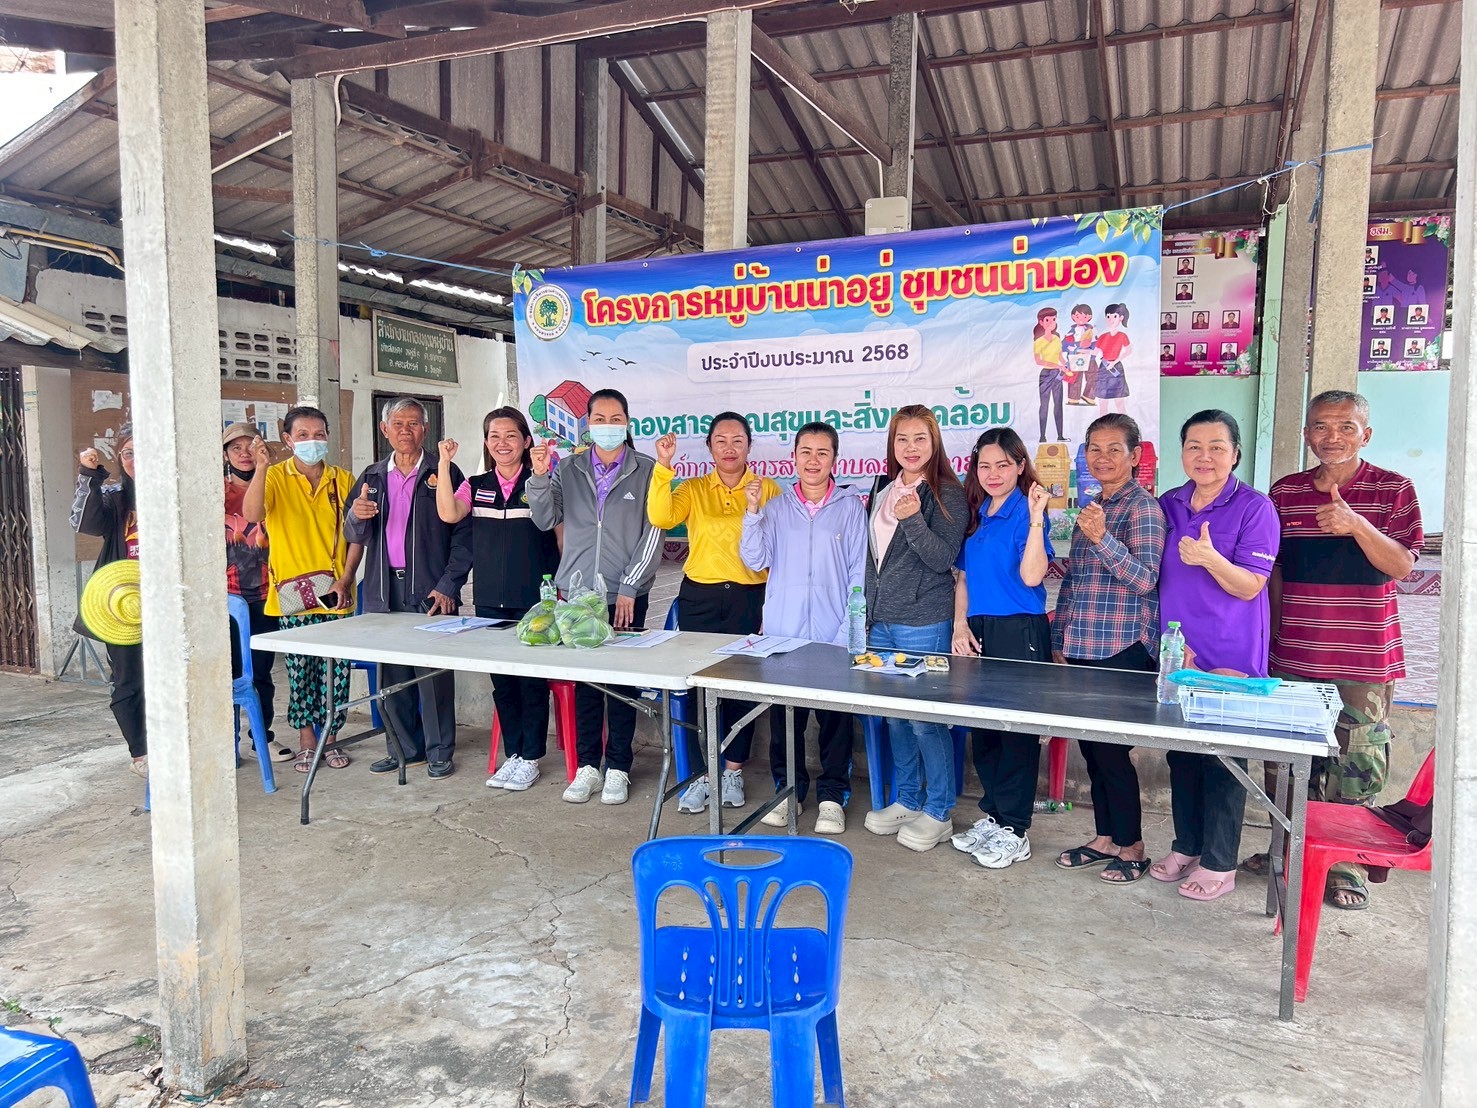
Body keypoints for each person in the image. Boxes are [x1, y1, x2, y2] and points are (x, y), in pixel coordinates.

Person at [1243, 390, 1423, 910]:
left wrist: (1357, 525)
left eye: (1346, 427)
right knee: (1286, 763)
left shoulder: (1393, 489)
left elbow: (1402, 566)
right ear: (1307, 434)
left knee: (1357, 762)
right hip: (1295, 654)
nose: (1333, 437)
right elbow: (1274, 571)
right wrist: (1271, 640)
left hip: (1363, 657)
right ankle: (1286, 852)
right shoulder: (1286, 493)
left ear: (1366, 434)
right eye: (1321, 426)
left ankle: (1344, 864)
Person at [1150, 410, 1280, 902]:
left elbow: (1250, 586)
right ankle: (1187, 846)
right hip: (1179, 650)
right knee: (1181, 754)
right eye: (1194, 446)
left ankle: (1221, 863)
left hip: (1231, 653)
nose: (1204, 457)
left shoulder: (1254, 508)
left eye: (1217, 447)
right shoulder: (1169, 504)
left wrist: (1210, 558)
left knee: (1224, 760)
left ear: (1236, 453)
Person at [527, 388, 664, 805]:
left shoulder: (647, 469)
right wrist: (538, 477)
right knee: (586, 683)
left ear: (627, 423)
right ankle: (588, 766)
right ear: (588, 425)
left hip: (625, 595)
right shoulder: (568, 468)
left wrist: (630, 587)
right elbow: (545, 518)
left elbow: (653, 532)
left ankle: (618, 766)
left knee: (621, 682)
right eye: (599, 419)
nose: (608, 426)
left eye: (615, 418)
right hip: (577, 594)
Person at [1049, 414, 1166, 883]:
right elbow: (1074, 581)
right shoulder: (1092, 506)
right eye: (1094, 449)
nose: (1103, 458)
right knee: (1093, 750)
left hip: (1122, 646)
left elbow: (1146, 580)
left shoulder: (1143, 509)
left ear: (1135, 456)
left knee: (1113, 754)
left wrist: (1102, 539)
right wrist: (1059, 639)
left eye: (1114, 449)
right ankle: (1105, 837)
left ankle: (1132, 846)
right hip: (1083, 643)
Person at [649, 413, 782, 813]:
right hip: (700, 598)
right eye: (721, 440)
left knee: (742, 688)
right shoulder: (693, 488)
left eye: (737, 440)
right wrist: (663, 465)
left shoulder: (767, 488)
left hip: (749, 598)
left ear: (749, 446)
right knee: (698, 687)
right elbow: (660, 517)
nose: (729, 448)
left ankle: (732, 772)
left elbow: (779, 547)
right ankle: (703, 774)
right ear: (709, 446)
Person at [739, 422, 866, 835]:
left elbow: (858, 574)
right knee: (785, 722)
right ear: (793, 457)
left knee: (835, 722)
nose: (813, 460)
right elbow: (755, 560)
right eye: (806, 452)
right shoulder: (776, 507)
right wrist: (752, 513)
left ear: (835, 459)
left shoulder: (850, 508)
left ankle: (832, 797)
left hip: (832, 634)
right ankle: (787, 791)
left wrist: (847, 632)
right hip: (784, 635)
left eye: (822, 452)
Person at [343, 398, 472, 780]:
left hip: (431, 590)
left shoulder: (443, 470)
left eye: (413, 423)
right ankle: (403, 749)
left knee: (433, 676)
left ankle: (439, 752)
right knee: (392, 676)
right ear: (385, 430)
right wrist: (356, 517)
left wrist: (449, 585)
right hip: (385, 589)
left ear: (425, 430)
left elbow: (464, 537)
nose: (405, 430)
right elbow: (353, 533)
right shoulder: (371, 476)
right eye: (397, 424)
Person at [435, 407, 562, 794]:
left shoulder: (542, 481)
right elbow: (448, 513)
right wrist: (444, 463)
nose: (502, 443)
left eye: (510, 436)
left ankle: (532, 757)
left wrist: (561, 589)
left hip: (535, 600)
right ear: (486, 442)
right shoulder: (475, 485)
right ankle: (515, 754)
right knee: (503, 683)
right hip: (490, 600)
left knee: (531, 683)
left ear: (526, 441)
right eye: (494, 436)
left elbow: (558, 533)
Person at [861, 406, 969, 851]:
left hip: (924, 622)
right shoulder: (883, 488)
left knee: (926, 721)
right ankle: (907, 799)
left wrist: (912, 518)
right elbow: (873, 558)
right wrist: (868, 612)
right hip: (881, 624)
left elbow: (943, 559)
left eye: (920, 438)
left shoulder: (947, 493)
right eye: (902, 439)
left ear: (934, 442)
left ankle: (939, 810)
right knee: (895, 718)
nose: (910, 447)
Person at [948, 428, 1053, 869]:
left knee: (1015, 735)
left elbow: (1032, 576)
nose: (993, 474)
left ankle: (1015, 829)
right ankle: (994, 816)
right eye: (985, 466)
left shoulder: (1027, 510)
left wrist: (1036, 518)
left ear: (1020, 466)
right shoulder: (978, 513)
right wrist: (959, 626)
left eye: (1003, 465)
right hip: (978, 629)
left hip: (1019, 631)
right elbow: (964, 578)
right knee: (986, 732)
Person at [243, 407, 361, 773]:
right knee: (301, 672)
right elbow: (252, 514)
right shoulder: (275, 477)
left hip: (336, 594)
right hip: (292, 597)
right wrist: (261, 467)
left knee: (336, 673)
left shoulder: (343, 480)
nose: (313, 441)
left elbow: (357, 536)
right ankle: (307, 741)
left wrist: (347, 578)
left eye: (319, 434)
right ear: (288, 439)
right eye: (303, 435)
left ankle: (331, 738)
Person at [72, 427, 145, 775]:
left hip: (172, 605)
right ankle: (141, 753)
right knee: (129, 680)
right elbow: (85, 522)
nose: (136, 459)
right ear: (120, 459)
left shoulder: (176, 494)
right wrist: (90, 474)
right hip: (123, 608)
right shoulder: (116, 500)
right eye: (129, 453)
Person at [223, 422, 289, 763]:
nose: (244, 454)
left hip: (266, 593)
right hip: (226, 596)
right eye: (236, 448)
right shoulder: (216, 491)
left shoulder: (276, 486)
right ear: (225, 455)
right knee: (228, 672)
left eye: (250, 446)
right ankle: (228, 742)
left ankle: (263, 739)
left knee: (261, 672)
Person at [1034, 307, 1068, 443]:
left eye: (1054, 319)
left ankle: (1060, 435)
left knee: (1058, 404)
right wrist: (1058, 366)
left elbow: (1060, 356)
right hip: (1046, 374)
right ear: (1041, 322)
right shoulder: (1038, 342)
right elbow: (1039, 361)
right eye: (1048, 320)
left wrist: (1066, 364)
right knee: (1044, 405)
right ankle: (1042, 436)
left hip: (1057, 374)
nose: (1051, 322)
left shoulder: (1056, 339)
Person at [1094, 303, 1132, 415]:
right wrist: (1080, 350)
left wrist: (1114, 362)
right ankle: (1102, 425)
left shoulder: (1122, 336)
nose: (1110, 319)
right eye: (1108, 316)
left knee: (1119, 401)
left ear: (1121, 318)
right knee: (1102, 402)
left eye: (1114, 316)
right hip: (1104, 367)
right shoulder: (1102, 337)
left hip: (1116, 368)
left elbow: (1128, 351)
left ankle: (1124, 425)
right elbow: (1094, 353)